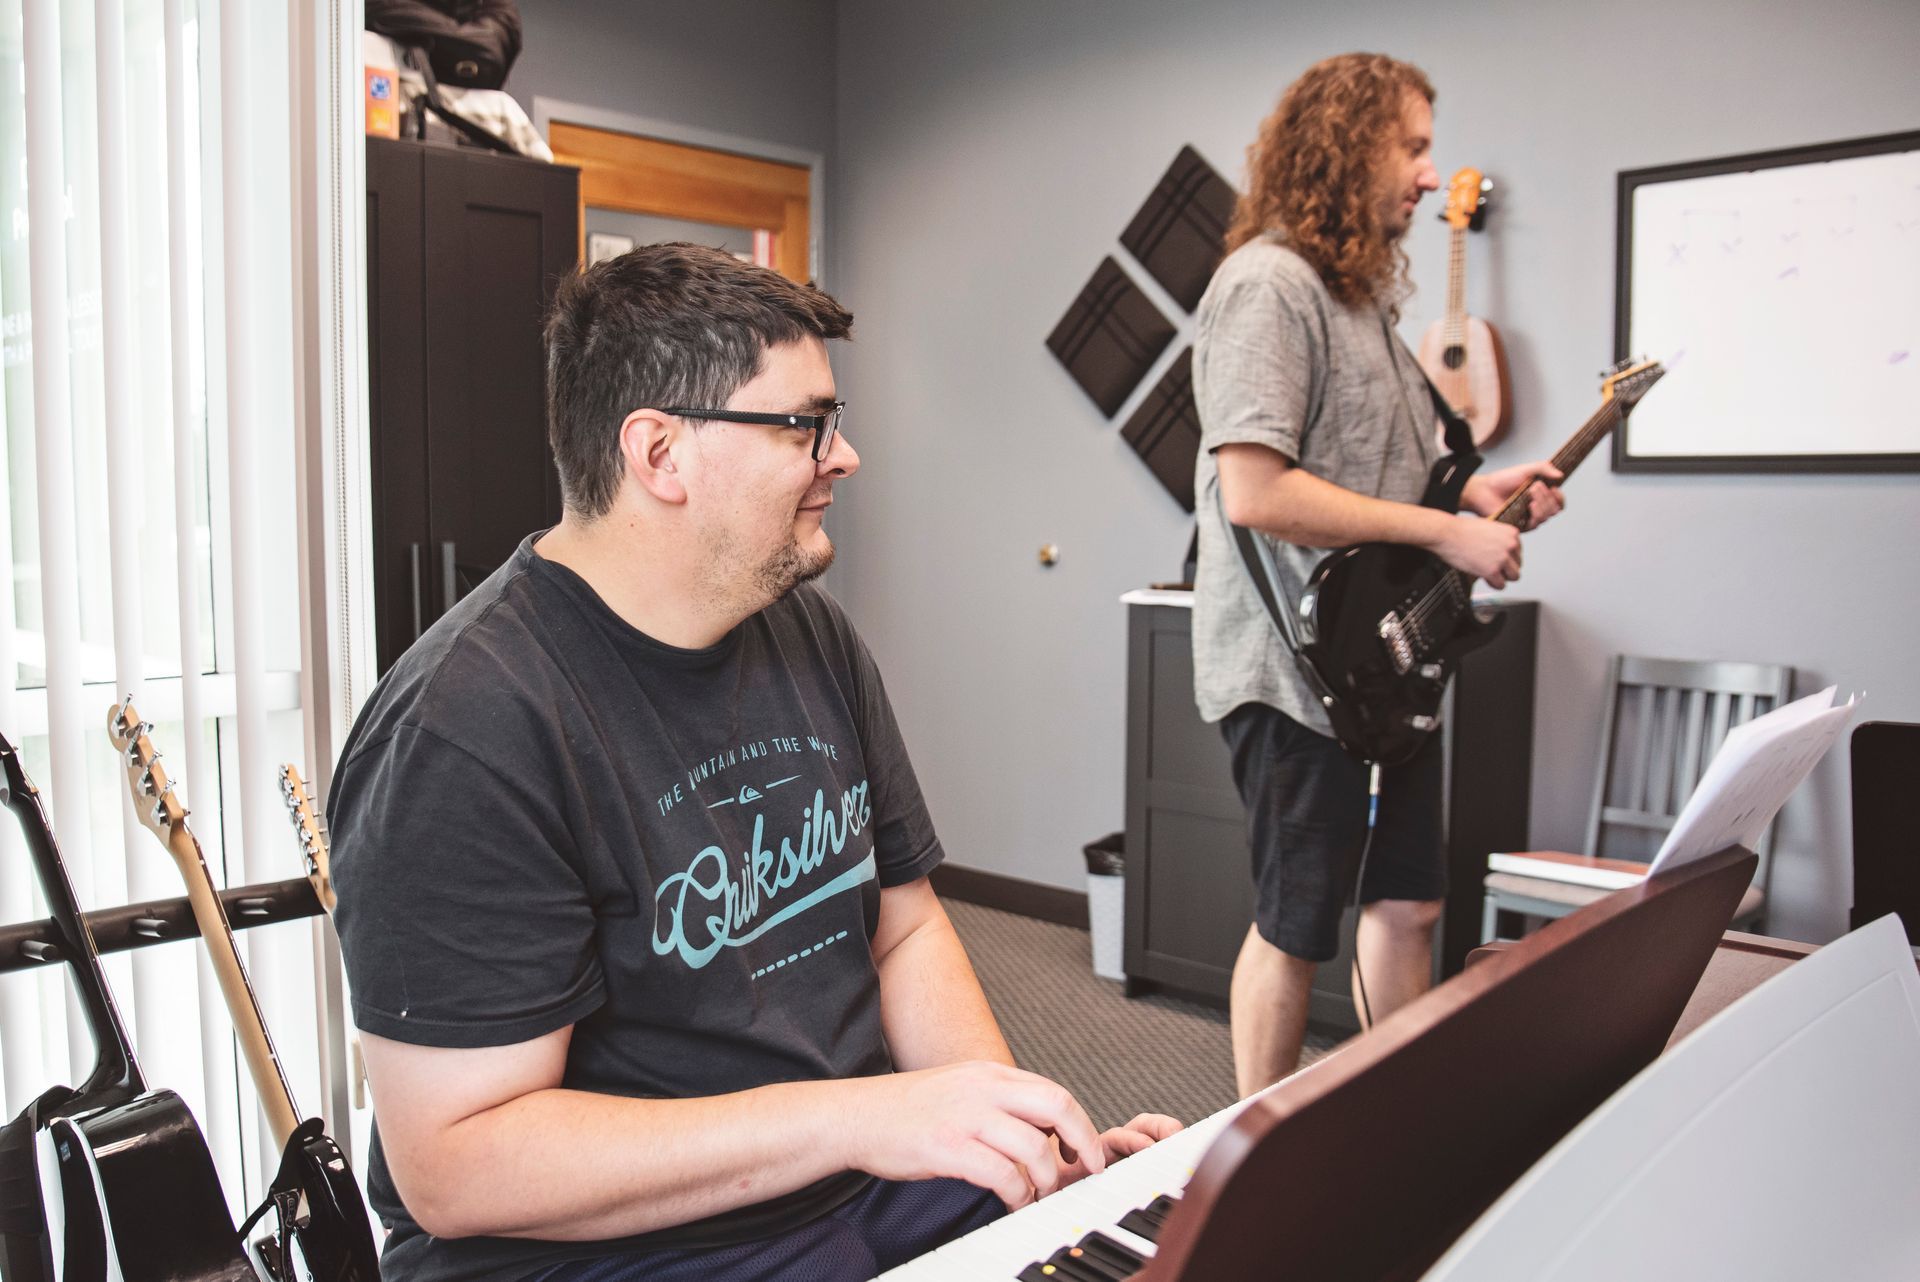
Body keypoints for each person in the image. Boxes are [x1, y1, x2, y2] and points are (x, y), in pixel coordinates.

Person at [327, 243, 1178, 1281]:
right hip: (627, 1254)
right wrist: (858, 1120)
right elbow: (456, 1167)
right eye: (804, 423)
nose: (844, 454)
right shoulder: (463, 729)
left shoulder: (809, 636)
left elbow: (902, 929)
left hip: (847, 1185)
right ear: (660, 454)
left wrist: (1015, 1147)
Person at [1191, 53, 1566, 1097]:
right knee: (1297, 923)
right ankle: (1251, 1144)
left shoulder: (1359, 303)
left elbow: (1397, 475)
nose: (1425, 171)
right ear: (1346, 148)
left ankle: (1392, 1115)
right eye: (1409, 145)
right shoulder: (1267, 285)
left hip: (1381, 668)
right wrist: (1447, 538)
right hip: (1292, 672)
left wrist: (1479, 497)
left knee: (1408, 905)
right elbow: (1257, 491)